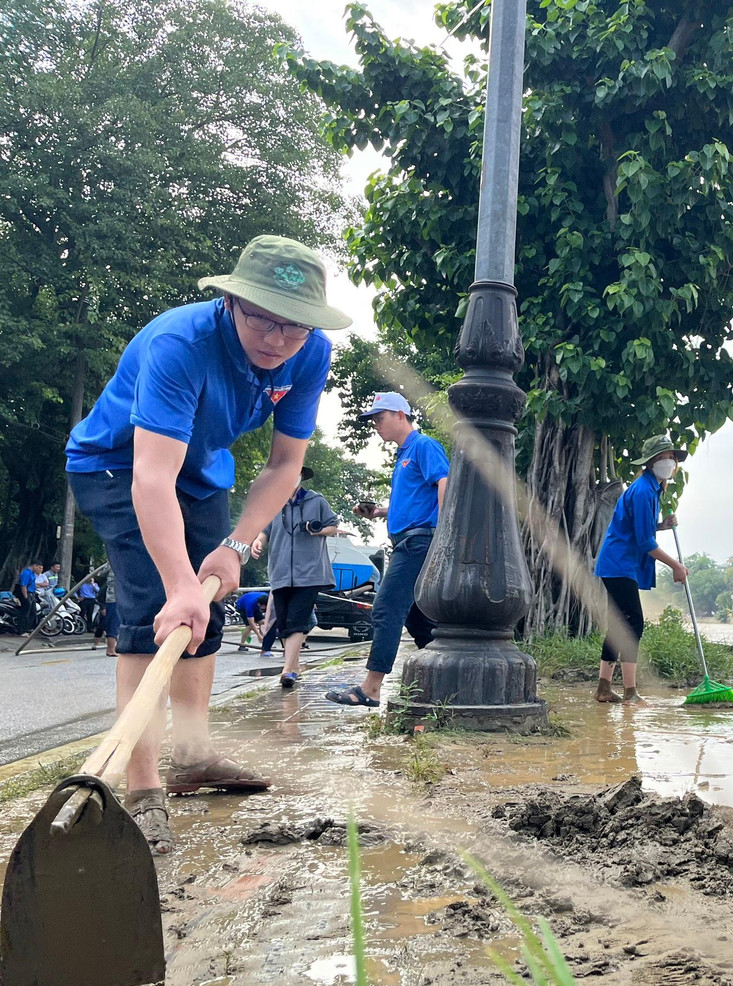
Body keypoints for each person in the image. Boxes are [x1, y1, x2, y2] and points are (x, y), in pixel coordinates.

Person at [64, 235, 351, 854]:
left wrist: (236, 546)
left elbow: (283, 465)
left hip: (201, 471)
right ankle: (142, 791)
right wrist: (178, 585)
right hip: (117, 466)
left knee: (207, 612)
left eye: (294, 327)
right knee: (155, 614)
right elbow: (151, 476)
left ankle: (192, 758)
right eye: (263, 320)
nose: (277, 339)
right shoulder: (181, 343)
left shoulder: (311, 354)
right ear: (231, 302)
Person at [326, 392, 448, 708]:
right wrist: (379, 512)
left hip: (419, 543)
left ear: (399, 415)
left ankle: (372, 687)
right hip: (409, 541)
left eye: (379, 418)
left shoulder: (423, 446)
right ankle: (442, 682)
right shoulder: (404, 455)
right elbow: (413, 501)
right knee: (417, 620)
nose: (376, 426)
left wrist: (444, 537)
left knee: (386, 608)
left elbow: (444, 484)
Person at [592, 434, 689, 704]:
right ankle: (630, 692)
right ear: (649, 463)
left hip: (619, 563)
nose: (667, 462)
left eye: (670, 457)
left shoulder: (651, 489)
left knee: (619, 625)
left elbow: (641, 531)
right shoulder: (644, 490)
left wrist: (662, 525)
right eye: (661, 458)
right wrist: (676, 565)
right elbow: (645, 543)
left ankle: (603, 688)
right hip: (619, 564)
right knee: (634, 623)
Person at [251, 465, 339, 687]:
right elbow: (265, 531)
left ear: (301, 477)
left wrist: (317, 530)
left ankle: (287, 670)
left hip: (310, 572)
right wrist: (258, 540)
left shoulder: (316, 501)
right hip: (280, 571)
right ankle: (295, 666)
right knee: (284, 623)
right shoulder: (272, 503)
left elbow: (333, 526)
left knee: (297, 620)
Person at [12, 561, 40, 635]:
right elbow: (23, 586)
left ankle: (27, 628)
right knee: (25, 613)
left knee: (33, 612)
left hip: (32, 593)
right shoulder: (26, 573)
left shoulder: (32, 573)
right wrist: (26, 597)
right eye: (38, 567)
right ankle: (21, 630)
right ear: (34, 565)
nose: (39, 569)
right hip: (26, 594)